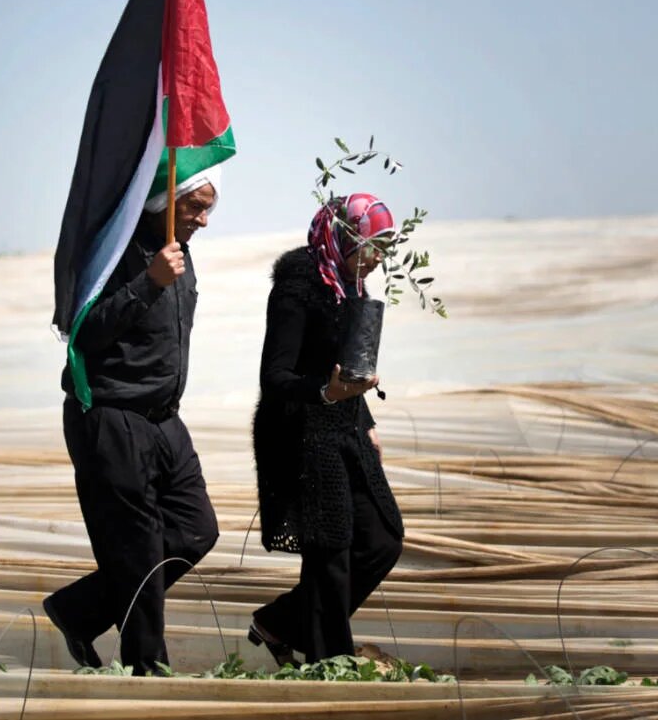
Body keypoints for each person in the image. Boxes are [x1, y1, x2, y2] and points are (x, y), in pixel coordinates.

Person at [42, 170, 221, 676]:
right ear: (164, 200)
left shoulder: (179, 253)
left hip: (165, 420)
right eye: (194, 207)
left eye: (209, 208)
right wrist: (148, 283)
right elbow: (82, 333)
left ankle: (80, 610)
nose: (203, 220)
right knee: (139, 549)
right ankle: (150, 673)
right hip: (111, 416)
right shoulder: (115, 250)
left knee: (196, 529)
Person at [247, 192, 405, 664]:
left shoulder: (350, 287)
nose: (376, 259)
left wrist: (367, 419)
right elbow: (274, 378)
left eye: (383, 248)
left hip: (347, 427)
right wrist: (325, 393)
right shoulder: (298, 288)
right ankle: (330, 664)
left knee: (382, 539)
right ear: (341, 238)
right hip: (300, 434)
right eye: (369, 247)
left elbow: (348, 371)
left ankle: (279, 623)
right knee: (329, 556)